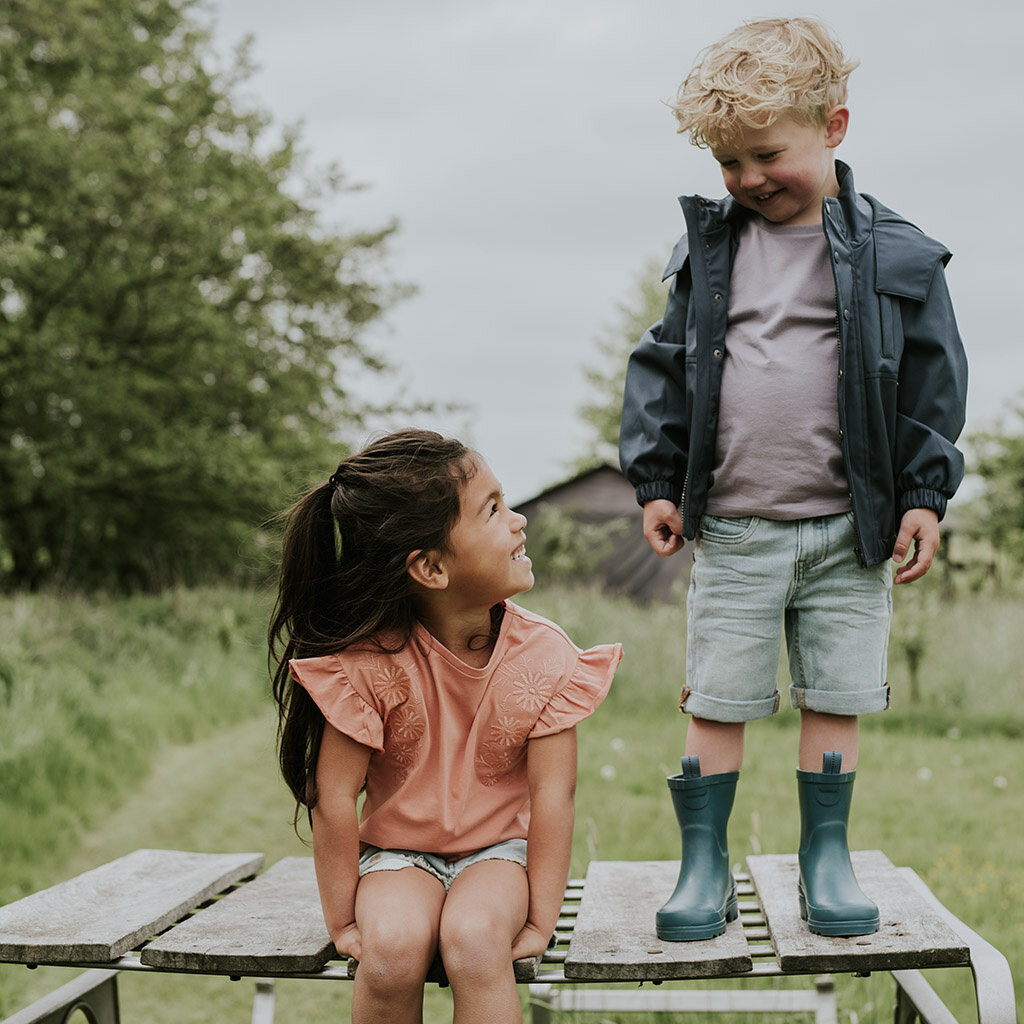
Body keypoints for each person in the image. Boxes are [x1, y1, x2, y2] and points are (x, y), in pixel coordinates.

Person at [619, 18, 967, 941]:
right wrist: (657, 478)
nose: (747, 179)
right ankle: (703, 866)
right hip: (734, 527)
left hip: (851, 533)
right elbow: (662, 365)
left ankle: (827, 859)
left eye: (767, 153)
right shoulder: (711, 251)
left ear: (835, 128)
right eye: (729, 162)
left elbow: (934, 380)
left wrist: (926, 495)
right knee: (719, 697)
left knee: (838, 696)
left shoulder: (897, 254)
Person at [269, 429, 621, 1023]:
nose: (519, 522)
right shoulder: (370, 665)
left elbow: (553, 795)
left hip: (497, 856)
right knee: (392, 951)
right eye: (493, 510)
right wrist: (343, 919)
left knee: (476, 940)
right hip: (397, 857)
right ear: (431, 566)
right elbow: (334, 796)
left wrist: (541, 916)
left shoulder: (546, 656)